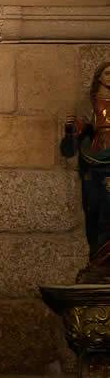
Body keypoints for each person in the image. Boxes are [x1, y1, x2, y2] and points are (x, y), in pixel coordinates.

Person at [62, 60, 110, 282]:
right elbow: (80, 126)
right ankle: (98, 262)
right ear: (99, 77)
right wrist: (73, 128)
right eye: (107, 73)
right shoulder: (90, 103)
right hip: (96, 159)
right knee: (97, 208)